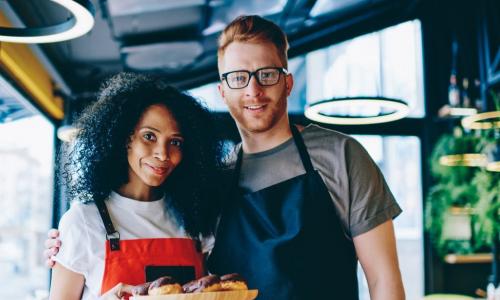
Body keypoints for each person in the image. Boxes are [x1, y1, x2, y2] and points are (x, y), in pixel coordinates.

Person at [46, 15, 405, 300]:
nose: (253, 89)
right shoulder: (216, 180)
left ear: (288, 82)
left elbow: (384, 279)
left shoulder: (340, 156)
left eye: (266, 74)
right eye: (238, 77)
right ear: (222, 91)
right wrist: (70, 244)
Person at [48, 73, 223, 300]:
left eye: (175, 142)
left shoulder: (197, 217)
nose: (162, 154)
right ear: (124, 138)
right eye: (149, 136)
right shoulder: (83, 222)